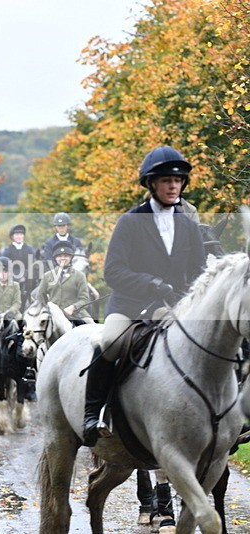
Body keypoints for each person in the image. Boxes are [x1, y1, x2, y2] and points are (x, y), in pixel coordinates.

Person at [82, 145, 206, 447]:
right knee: (109, 342)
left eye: (177, 181)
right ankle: (93, 413)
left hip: (174, 307)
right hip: (130, 305)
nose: (173, 186)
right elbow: (113, 271)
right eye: (166, 180)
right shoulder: (130, 221)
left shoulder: (189, 226)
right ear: (151, 183)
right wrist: (150, 283)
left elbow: (199, 272)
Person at [35, 241, 94, 325]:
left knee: (91, 325)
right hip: (52, 315)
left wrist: (73, 307)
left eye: (66, 256)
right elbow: (39, 298)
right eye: (59, 256)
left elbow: (85, 299)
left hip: (76, 314)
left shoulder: (79, 276)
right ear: (55, 258)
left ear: (71, 258)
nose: (63, 258)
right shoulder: (47, 276)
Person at [1, 223, 38, 302]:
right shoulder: (7, 250)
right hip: (12, 279)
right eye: (17, 234)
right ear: (12, 236)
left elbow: (33, 265)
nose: (19, 236)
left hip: (28, 279)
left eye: (21, 234)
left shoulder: (29, 249)